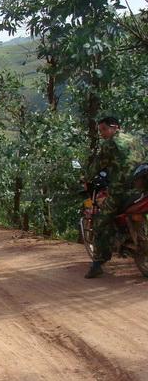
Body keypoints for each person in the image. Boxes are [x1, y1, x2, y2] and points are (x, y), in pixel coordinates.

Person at [84, 116, 144, 278]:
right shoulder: (135, 140)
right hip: (141, 190)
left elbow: (97, 165)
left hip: (120, 192)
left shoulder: (110, 144)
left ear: (114, 127)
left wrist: (87, 177)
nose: (102, 133)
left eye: (103, 129)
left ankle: (98, 263)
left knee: (100, 222)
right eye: (100, 130)